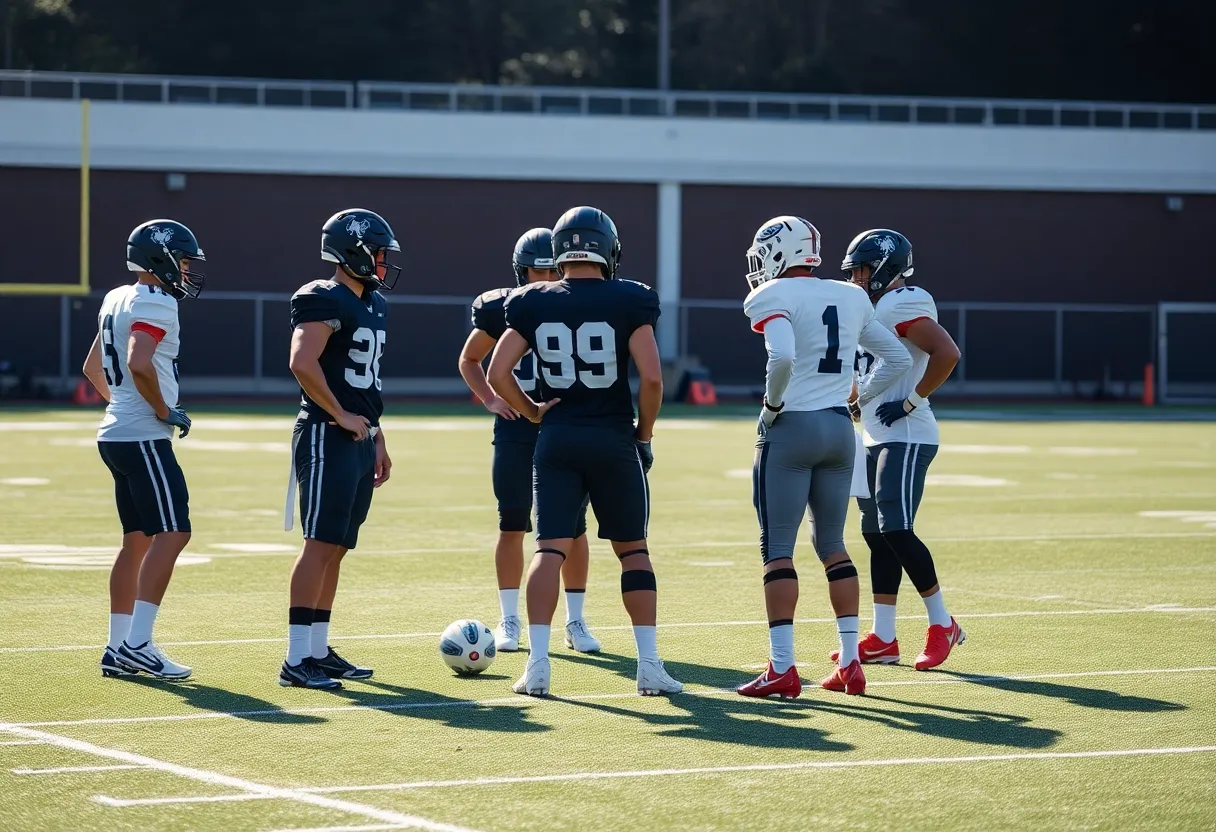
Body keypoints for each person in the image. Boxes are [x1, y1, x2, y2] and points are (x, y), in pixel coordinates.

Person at [487, 205, 681, 698]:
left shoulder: (533, 300)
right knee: (633, 551)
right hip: (613, 438)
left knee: (548, 549)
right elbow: (653, 378)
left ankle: (537, 665)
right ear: (607, 248)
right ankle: (650, 667)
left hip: (556, 439)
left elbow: (496, 372)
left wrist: (532, 412)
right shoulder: (630, 299)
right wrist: (645, 433)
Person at [734, 216, 911, 699]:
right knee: (834, 544)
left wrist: (772, 407)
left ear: (778, 253)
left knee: (777, 550)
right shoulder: (852, 295)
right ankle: (852, 663)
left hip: (792, 428)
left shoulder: (771, 296)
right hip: (839, 429)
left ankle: (783, 668)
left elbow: (783, 357)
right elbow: (895, 359)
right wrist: (856, 398)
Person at [457, 228, 600, 654]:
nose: (545, 278)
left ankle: (575, 621)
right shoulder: (501, 307)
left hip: (562, 426)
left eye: (552, 270)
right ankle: (509, 618)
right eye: (538, 271)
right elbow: (469, 358)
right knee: (512, 521)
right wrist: (489, 398)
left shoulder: (574, 302)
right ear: (522, 271)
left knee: (574, 528)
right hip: (518, 427)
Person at [280, 209, 400, 690]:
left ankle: (317, 649)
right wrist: (340, 414)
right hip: (326, 434)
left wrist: (376, 431)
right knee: (318, 544)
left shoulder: (372, 302)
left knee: (338, 547)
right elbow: (301, 361)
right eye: (377, 253)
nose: (384, 263)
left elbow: (366, 381)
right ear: (352, 251)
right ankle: (294, 659)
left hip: (357, 436)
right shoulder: (321, 296)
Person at [835, 228, 964, 671]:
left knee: (896, 529)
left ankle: (942, 623)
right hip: (877, 434)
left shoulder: (902, 302)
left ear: (884, 267)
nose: (855, 278)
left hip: (907, 434)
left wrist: (912, 400)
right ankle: (884, 637)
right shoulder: (870, 308)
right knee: (875, 535)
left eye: (862, 269)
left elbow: (946, 352)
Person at [83, 219, 205, 680]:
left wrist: (124, 408)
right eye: (185, 259)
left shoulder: (117, 296)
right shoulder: (158, 302)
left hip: (114, 435)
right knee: (174, 533)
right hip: (141, 437)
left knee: (136, 541)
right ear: (163, 258)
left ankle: (118, 646)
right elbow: (137, 361)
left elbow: (93, 366)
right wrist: (162, 410)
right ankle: (137, 644)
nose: (189, 268)